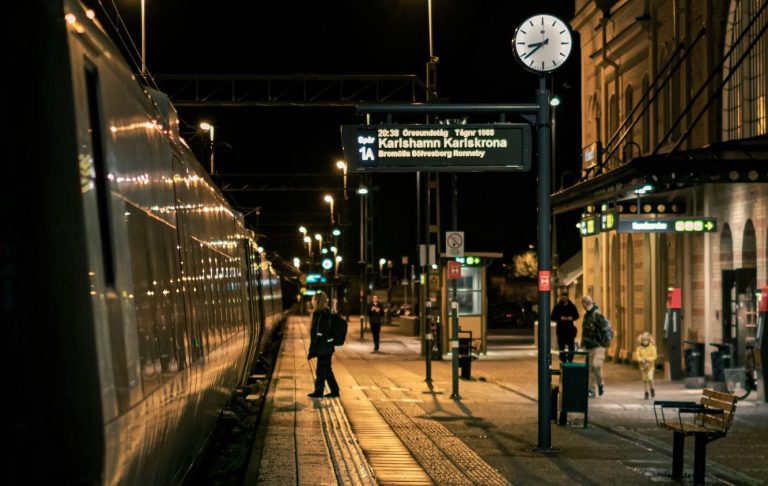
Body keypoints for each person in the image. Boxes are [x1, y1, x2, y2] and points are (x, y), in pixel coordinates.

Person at [307, 292, 340, 398]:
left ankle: (319, 391)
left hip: (323, 346)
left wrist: (315, 346)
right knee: (326, 369)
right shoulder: (326, 312)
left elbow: (318, 332)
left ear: (317, 300)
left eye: (313, 299)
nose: (312, 301)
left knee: (321, 369)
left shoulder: (319, 313)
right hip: (327, 346)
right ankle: (334, 390)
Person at [581, 295, 611, 398]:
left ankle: (600, 383)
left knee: (595, 366)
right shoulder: (587, 315)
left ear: (584, 304)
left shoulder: (597, 315)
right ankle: (591, 391)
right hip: (588, 346)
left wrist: (604, 344)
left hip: (598, 346)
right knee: (589, 369)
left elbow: (606, 330)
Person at [551, 292, 580, 362]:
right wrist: (560, 318)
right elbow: (552, 317)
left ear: (567, 298)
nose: (563, 299)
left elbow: (577, 316)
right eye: (562, 297)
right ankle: (563, 359)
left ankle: (570, 360)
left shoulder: (572, 306)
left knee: (571, 346)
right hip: (561, 330)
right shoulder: (557, 307)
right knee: (561, 347)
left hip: (570, 330)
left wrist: (572, 318)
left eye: (564, 297)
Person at [635, 331, 657, 400]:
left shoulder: (652, 348)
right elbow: (637, 356)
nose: (644, 341)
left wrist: (648, 360)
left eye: (646, 340)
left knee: (650, 378)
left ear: (649, 340)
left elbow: (655, 356)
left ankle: (652, 388)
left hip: (650, 366)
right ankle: (646, 393)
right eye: (643, 340)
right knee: (644, 380)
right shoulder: (639, 348)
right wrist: (641, 360)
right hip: (643, 367)